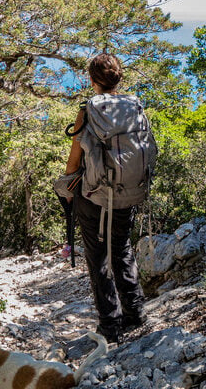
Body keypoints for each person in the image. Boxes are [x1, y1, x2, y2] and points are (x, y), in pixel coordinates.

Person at [65, 53, 147, 344]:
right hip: (129, 191)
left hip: (94, 195)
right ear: (119, 78)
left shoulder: (88, 110)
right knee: (122, 246)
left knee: (97, 257)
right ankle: (135, 313)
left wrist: (67, 186)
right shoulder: (134, 105)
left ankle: (110, 326)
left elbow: (74, 160)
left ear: (91, 80)